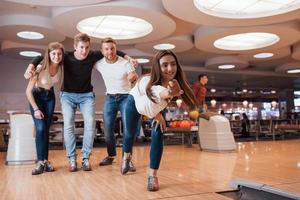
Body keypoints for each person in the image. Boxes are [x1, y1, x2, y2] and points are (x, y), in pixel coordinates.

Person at [24, 33, 137, 172]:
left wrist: (128, 57)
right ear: (75, 47)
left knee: (90, 124)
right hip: (67, 95)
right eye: (81, 47)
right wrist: (31, 65)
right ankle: (72, 159)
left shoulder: (93, 55)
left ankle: (85, 158)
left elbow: (111, 51)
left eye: (87, 47)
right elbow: (44, 56)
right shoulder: (65, 56)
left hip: (86, 96)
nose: (84, 51)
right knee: (68, 124)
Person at [121, 50, 197, 191]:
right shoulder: (146, 80)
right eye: (165, 65)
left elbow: (163, 96)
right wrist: (167, 97)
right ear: (158, 67)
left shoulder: (174, 82)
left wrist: (172, 92)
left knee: (158, 132)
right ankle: (126, 157)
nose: (170, 69)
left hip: (155, 106)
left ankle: (152, 174)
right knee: (130, 133)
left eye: (173, 64)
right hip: (134, 102)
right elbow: (154, 94)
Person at [95, 37, 138, 170]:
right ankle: (111, 155)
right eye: (106, 49)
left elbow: (134, 75)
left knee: (128, 129)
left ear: (116, 49)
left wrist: (133, 77)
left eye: (112, 48)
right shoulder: (99, 63)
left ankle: (127, 159)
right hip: (110, 98)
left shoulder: (125, 63)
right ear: (102, 51)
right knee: (107, 129)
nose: (110, 51)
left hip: (126, 97)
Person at [25, 42, 64, 175]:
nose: (57, 56)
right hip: (36, 97)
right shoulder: (40, 67)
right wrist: (36, 109)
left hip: (50, 97)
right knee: (40, 128)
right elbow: (28, 92)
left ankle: (46, 161)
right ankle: (40, 162)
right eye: (53, 53)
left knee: (46, 130)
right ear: (49, 54)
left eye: (59, 53)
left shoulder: (61, 68)